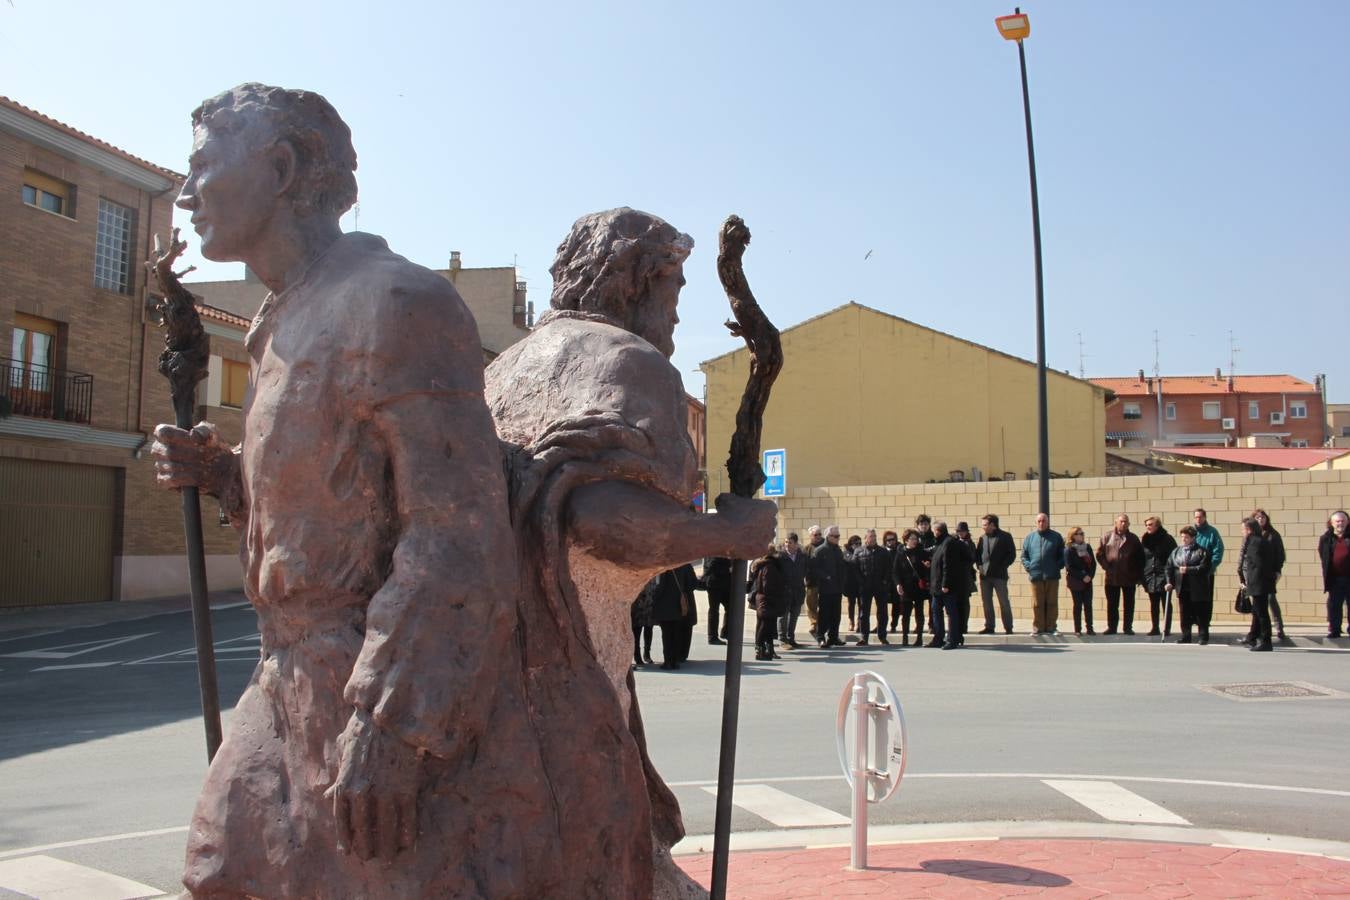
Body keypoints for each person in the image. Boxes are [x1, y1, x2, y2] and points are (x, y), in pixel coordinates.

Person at [151, 83, 552, 897]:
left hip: (366, 687)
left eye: (202, 167)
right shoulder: (274, 323)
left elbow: (458, 535)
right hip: (287, 679)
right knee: (219, 873)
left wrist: (393, 726)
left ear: (283, 166)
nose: (184, 194)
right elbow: (336, 507)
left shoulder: (395, 302)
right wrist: (225, 477)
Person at [483, 206, 776, 895]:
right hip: (571, 668)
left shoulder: (501, 371)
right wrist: (729, 535)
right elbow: (597, 517)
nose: (677, 314)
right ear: (638, 281)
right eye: (675, 289)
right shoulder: (630, 363)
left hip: (490, 666)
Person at [1097, 514, 1144, 635]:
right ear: (1116, 522)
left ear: (1128, 524)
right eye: (1121, 521)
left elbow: (1140, 558)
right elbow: (1100, 554)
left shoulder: (1133, 538)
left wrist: (1138, 575)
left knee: (1129, 604)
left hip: (1129, 576)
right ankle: (1112, 627)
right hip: (1112, 577)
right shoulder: (1107, 537)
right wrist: (1106, 566)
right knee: (1112, 604)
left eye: (1126, 522)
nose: (1124, 524)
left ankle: (1127, 627)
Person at [1165, 525, 1212, 644]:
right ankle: (1186, 636)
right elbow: (1169, 567)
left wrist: (1188, 569)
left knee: (1201, 613)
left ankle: (1203, 636)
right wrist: (1169, 581)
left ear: (1193, 538)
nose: (1184, 539)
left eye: (1186, 537)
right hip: (1182, 587)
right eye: (1182, 537)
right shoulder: (1176, 552)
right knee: (1184, 613)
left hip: (1198, 588)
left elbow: (1204, 568)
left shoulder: (1202, 551)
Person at [1021, 512, 1065, 635]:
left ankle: (1052, 627)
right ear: (1036, 523)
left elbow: (1063, 555)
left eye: (1044, 521)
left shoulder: (1056, 537)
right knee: (1037, 603)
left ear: (1048, 522)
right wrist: (1030, 567)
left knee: (1052, 602)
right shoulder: (1030, 538)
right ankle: (1037, 628)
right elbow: (1024, 556)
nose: (1041, 523)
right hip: (1036, 576)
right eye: (1039, 521)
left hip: (1052, 575)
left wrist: (1057, 566)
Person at [929, 521, 971, 649]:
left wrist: (945, 584)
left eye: (934, 530)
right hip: (936, 586)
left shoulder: (949, 543)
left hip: (947, 586)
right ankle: (938, 638)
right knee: (936, 610)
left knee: (951, 612)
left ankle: (952, 639)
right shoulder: (939, 543)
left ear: (938, 531)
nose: (933, 533)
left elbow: (949, 565)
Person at [1246, 509, 1287, 642]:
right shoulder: (1250, 537)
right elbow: (1244, 556)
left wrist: (1277, 570)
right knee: (1259, 605)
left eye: (1263, 517)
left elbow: (1279, 554)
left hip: (1268, 574)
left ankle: (1278, 628)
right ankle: (1255, 632)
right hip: (1255, 576)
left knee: (1270, 600)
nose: (1261, 520)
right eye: (1257, 518)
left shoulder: (1272, 535)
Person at [1238, 517, 1277, 652]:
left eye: (1243, 529)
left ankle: (1266, 641)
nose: (1242, 532)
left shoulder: (1254, 543)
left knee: (1261, 613)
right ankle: (1253, 636)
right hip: (1262, 582)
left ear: (1248, 530)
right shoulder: (1262, 541)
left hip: (1259, 583)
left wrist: (1249, 582)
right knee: (1257, 611)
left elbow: (1257, 564)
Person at [976, 513, 1017, 635]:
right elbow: (978, 555)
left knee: (1004, 602)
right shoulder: (982, 538)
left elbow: (1012, 554)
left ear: (993, 525)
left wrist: (1003, 566)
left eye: (985, 525)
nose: (983, 527)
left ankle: (1008, 627)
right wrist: (980, 567)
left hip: (999, 576)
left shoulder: (1005, 536)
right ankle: (989, 626)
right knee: (987, 602)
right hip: (985, 576)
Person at [810, 525, 848, 648]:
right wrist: (826, 577)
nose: (838, 538)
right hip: (825, 588)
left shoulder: (838, 550)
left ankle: (833, 637)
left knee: (836, 615)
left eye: (839, 536)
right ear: (828, 536)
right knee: (824, 614)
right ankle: (821, 637)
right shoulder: (820, 550)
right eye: (835, 536)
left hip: (837, 588)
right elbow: (814, 568)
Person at [1140, 516, 1178, 637]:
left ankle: (1166, 629)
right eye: (1146, 525)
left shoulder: (1167, 539)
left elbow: (1173, 557)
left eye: (1150, 524)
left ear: (1157, 525)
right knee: (1153, 603)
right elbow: (1142, 558)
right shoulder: (1145, 540)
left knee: (1165, 602)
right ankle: (1155, 627)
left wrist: (1171, 576)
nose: (1148, 527)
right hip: (1150, 575)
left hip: (1164, 575)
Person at [749, 543, 787, 660]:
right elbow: (768, 586)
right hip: (768, 599)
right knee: (765, 625)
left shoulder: (760, 564)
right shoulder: (769, 566)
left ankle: (767, 650)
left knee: (764, 624)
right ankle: (761, 650)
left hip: (762, 598)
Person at [853, 529, 892, 645]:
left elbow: (889, 568)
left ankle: (882, 636)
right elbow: (855, 569)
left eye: (874, 536)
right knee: (864, 613)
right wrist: (861, 582)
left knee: (882, 612)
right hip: (865, 587)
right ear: (865, 538)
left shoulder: (883, 551)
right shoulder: (858, 551)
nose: (873, 538)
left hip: (880, 586)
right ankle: (864, 637)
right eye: (871, 537)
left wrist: (885, 581)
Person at [893, 528, 930, 646]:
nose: (915, 541)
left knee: (919, 613)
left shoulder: (922, 552)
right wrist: (898, 584)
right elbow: (895, 571)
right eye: (912, 539)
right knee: (906, 614)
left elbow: (928, 567)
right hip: (906, 588)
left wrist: (927, 566)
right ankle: (905, 637)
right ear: (906, 540)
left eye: (916, 538)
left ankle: (919, 637)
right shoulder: (901, 553)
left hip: (919, 587)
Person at [1319, 511, 1350, 638]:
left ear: (1347, 522)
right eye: (1337, 521)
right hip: (1334, 578)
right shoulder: (1326, 538)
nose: (1340, 523)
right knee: (1334, 606)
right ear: (1332, 523)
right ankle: (1335, 630)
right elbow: (1324, 556)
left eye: (1343, 521)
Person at [1063, 526, 1097, 635]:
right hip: (1076, 581)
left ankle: (1090, 628)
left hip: (1088, 581)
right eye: (1079, 533)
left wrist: (1090, 576)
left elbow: (1093, 564)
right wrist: (1083, 576)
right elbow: (1069, 567)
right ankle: (1077, 629)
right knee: (1077, 605)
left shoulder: (1087, 547)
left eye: (1082, 533)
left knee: (1088, 604)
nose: (1081, 535)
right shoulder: (1069, 549)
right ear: (1073, 536)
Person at [1193, 508, 1225, 622]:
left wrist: (1211, 566)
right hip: (1192, 571)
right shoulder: (1191, 532)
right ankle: (1194, 619)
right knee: (1193, 597)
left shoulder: (1212, 532)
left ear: (1205, 517)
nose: (1198, 519)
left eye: (1200, 517)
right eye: (1196, 517)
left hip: (1207, 571)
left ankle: (1205, 620)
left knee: (1206, 597)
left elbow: (1219, 550)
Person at [777, 534, 809, 648]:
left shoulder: (802, 556)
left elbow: (805, 571)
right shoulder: (780, 557)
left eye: (789, 542)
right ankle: (782, 639)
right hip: (784, 591)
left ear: (796, 544)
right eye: (786, 542)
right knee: (783, 616)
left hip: (798, 590)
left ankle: (791, 638)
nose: (787, 545)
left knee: (794, 615)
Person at [702, 556, 733, 645]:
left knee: (727, 608)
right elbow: (713, 564)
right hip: (716, 583)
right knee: (714, 610)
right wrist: (729, 566)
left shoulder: (714, 549)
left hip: (719, 583)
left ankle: (724, 633)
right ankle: (713, 636)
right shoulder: (718, 550)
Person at [954, 522, 978, 635]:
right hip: (955, 577)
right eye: (959, 531)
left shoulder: (970, 544)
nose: (961, 533)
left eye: (962, 531)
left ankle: (964, 625)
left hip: (966, 576)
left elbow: (972, 558)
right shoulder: (954, 542)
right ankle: (957, 625)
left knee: (965, 603)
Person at [803, 525, 825, 640]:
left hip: (824, 582)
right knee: (811, 604)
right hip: (811, 581)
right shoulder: (806, 549)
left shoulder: (826, 546)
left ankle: (822, 625)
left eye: (819, 534)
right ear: (810, 536)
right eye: (815, 535)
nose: (818, 537)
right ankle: (814, 623)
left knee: (824, 605)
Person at [843, 533, 863, 633]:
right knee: (851, 603)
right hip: (850, 582)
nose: (858, 545)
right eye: (856, 543)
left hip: (860, 582)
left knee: (861, 603)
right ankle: (851, 621)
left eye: (860, 543)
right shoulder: (846, 553)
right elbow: (851, 561)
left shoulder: (862, 552)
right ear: (851, 544)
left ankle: (860, 622)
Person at [631, 589, 654, 666]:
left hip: (649, 605)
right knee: (637, 633)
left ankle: (647, 653)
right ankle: (637, 657)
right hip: (637, 606)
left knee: (649, 630)